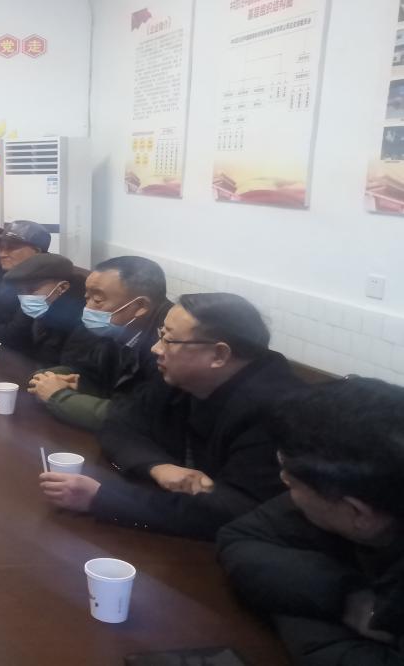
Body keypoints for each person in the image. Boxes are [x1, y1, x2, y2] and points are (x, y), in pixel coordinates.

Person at [39, 293, 302, 540]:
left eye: (169, 340)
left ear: (219, 355)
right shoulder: (181, 377)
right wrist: (158, 467)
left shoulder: (278, 409)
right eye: (160, 335)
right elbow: (118, 423)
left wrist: (103, 498)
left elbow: (233, 511)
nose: (156, 348)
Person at [218, 377, 404, 665]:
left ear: (358, 513)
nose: (282, 479)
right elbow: (240, 537)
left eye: (291, 481)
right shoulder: (357, 492)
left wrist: (288, 598)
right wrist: (347, 597)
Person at [27, 256, 172, 432]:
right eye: (87, 298)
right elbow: (92, 373)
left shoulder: (168, 347)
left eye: (97, 300)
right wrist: (50, 377)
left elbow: (139, 417)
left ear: (140, 306)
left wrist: (58, 396)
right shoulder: (115, 326)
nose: (87, 308)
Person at [2, 252, 85, 364]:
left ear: (62, 288)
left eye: (32, 290)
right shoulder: (46, 307)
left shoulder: (80, 319)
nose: (26, 297)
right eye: (20, 291)